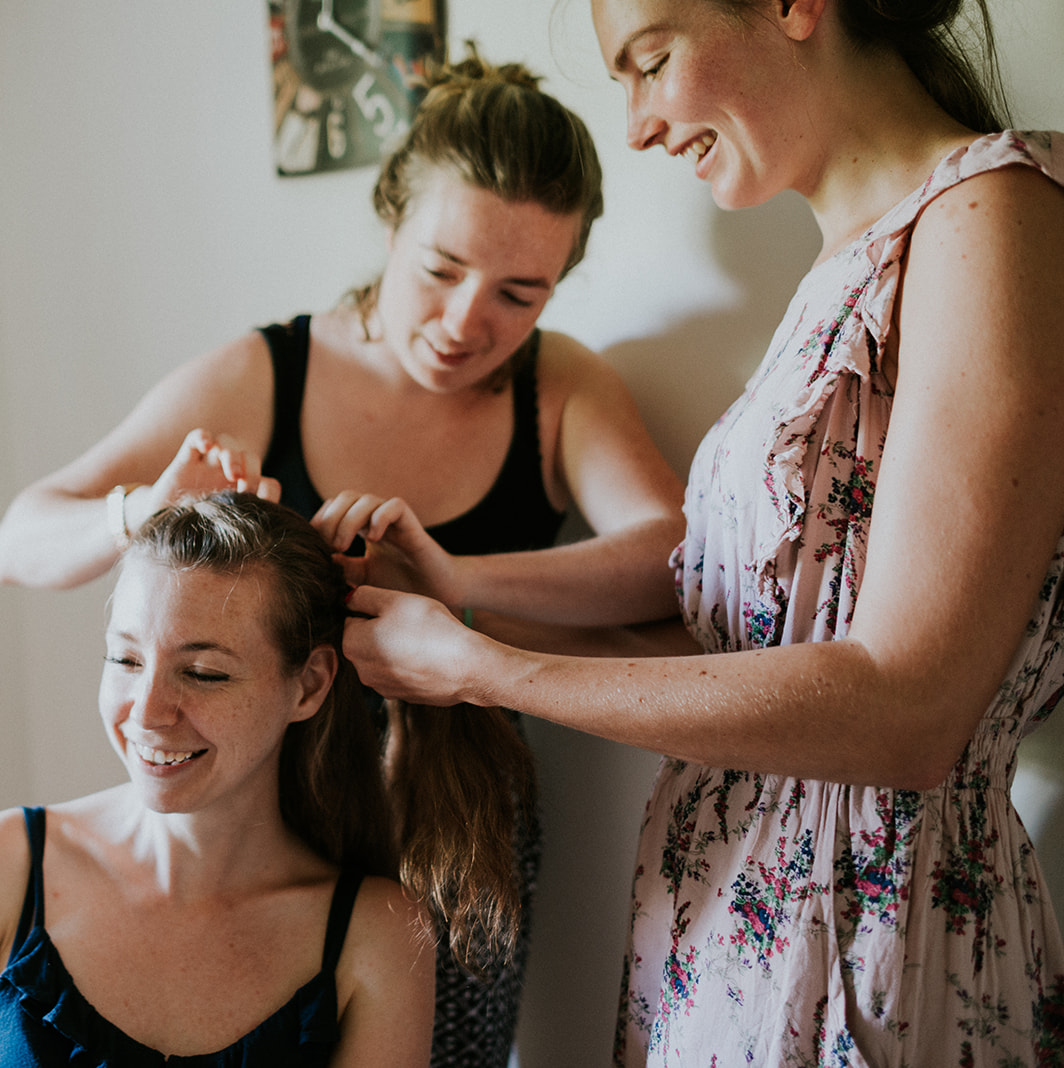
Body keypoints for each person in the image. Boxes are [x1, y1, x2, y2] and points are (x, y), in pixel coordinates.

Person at [334, 0, 1064, 1062]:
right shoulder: (839, 267)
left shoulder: (988, 218)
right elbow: (738, 662)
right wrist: (455, 597)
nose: (632, 126)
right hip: (724, 931)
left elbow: (910, 709)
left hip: (879, 940)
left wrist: (482, 669)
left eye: (651, 61)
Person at [0, 48, 686, 1064]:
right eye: (440, 271)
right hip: (270, 798)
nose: (462, 324)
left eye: (517, 295)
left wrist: (451, 586)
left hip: (464, 820)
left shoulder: (561, 389)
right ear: (391, 221)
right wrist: (141, 509)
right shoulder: (267, 372)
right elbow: (16, 540)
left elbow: (669, 568)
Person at [0, 492, 433, 1067]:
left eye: (203, 673)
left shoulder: (378, 936)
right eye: (125, 660)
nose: (148, 713)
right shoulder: (2, 865)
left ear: (309, 685)